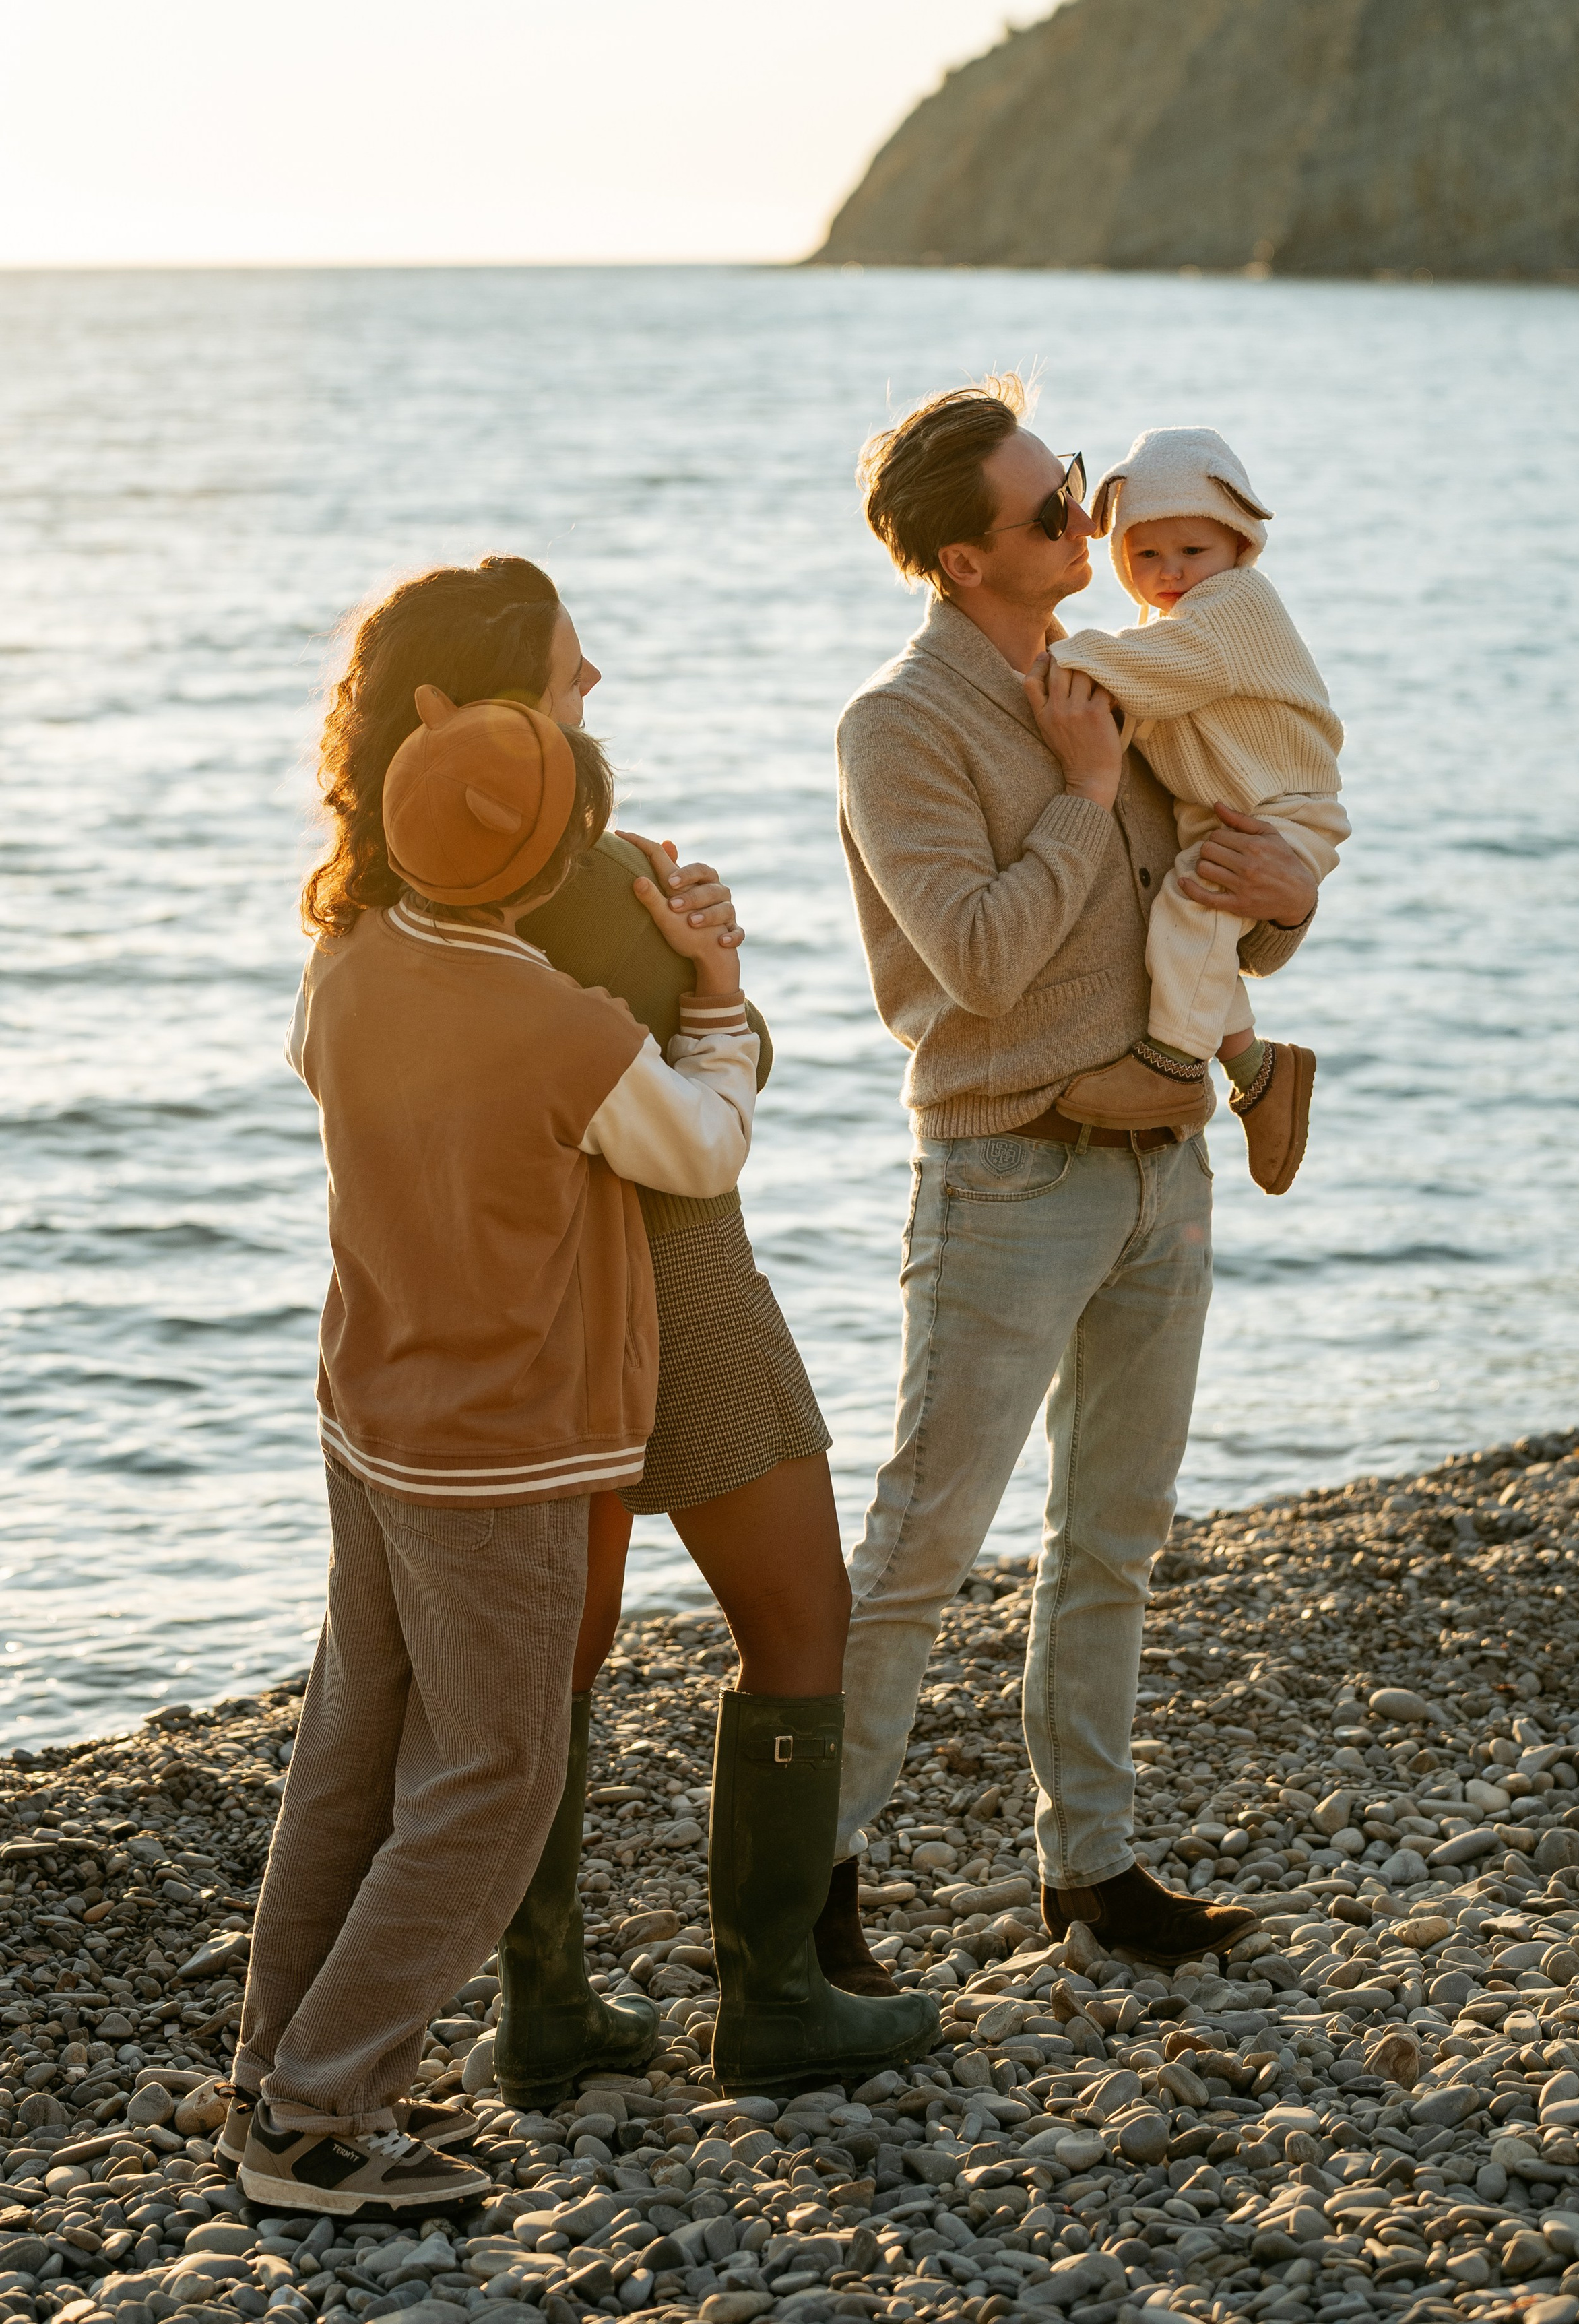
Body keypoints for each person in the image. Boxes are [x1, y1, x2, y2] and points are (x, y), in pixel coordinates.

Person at [280, 555, 934, 2108]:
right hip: (671, 1290)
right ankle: (771, 1995)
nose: (592, 695)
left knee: (540, 1678)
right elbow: (719, 1073)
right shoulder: (590, 876)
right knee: (794, 1620)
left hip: (490, 1336)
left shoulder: (373, 907)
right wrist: (719, 970)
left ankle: (549, 2003)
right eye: (569, 676)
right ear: (456, 706)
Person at [820, 377, 1323, 1985]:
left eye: (1080, 490)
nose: (1089, 526)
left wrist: (1289, 887)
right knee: (918, 1548)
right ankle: (805, 1898)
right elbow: (967, 962)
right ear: (968, 561)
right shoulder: (896, 724)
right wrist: (1086, 796)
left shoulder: (1120, 679)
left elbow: (1221, 897)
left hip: (1159, 1171)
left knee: (1111, 1536)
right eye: (1055, 510)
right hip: (1006, 1177)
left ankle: (1089, 1869)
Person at [235, 684, 760, 2212]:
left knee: (352, 1744)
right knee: (493, 1771)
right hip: (504, 1453)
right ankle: (318, 2118)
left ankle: (276, 2073)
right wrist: (714, 996)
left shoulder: (343, 962)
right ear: (547, 866)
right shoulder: (563, 1022)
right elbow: (705, 1146)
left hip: (369, 1411)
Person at [1048, 424, 1349, 1196]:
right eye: (1147, 556)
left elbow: (1151, 671)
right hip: (1233, 807)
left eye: (1192, 552)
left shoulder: (1232, 606)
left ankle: (1172, 1067)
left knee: (1192, 904)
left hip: (1282, 809)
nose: (1171, 572)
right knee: (1192, 932)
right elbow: (1144, 670)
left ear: (1238, 544)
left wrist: (1050, 658)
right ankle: (1257, 1070)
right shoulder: (1173, 624)